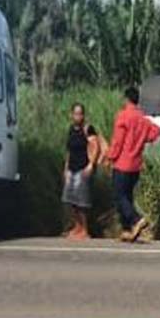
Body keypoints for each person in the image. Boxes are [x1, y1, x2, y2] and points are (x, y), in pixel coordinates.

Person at [106, 86, 160, 242]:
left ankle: (136, 219)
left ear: (126, 99)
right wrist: (144, 138)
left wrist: (110, 157)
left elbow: (118, 141)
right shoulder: (142, 119)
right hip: (136, 166)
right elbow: (156, 131)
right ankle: (127, 230)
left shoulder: (123, 116)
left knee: (119, 196)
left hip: (122, 163)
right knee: (127, 196)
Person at [61, 102, 107, 240]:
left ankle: (85, 230)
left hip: (83, 168)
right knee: (71, 200)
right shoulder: (71, 129)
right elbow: (69, 150)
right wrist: (66, 168)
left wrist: (91, 165)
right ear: (71, 115)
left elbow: (96, 146)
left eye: (80, 113)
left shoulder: (88, 129)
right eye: (75, 113)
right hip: (72, 168)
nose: (78, 116)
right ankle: (77, 227)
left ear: (83, 115)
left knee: (82, 202)